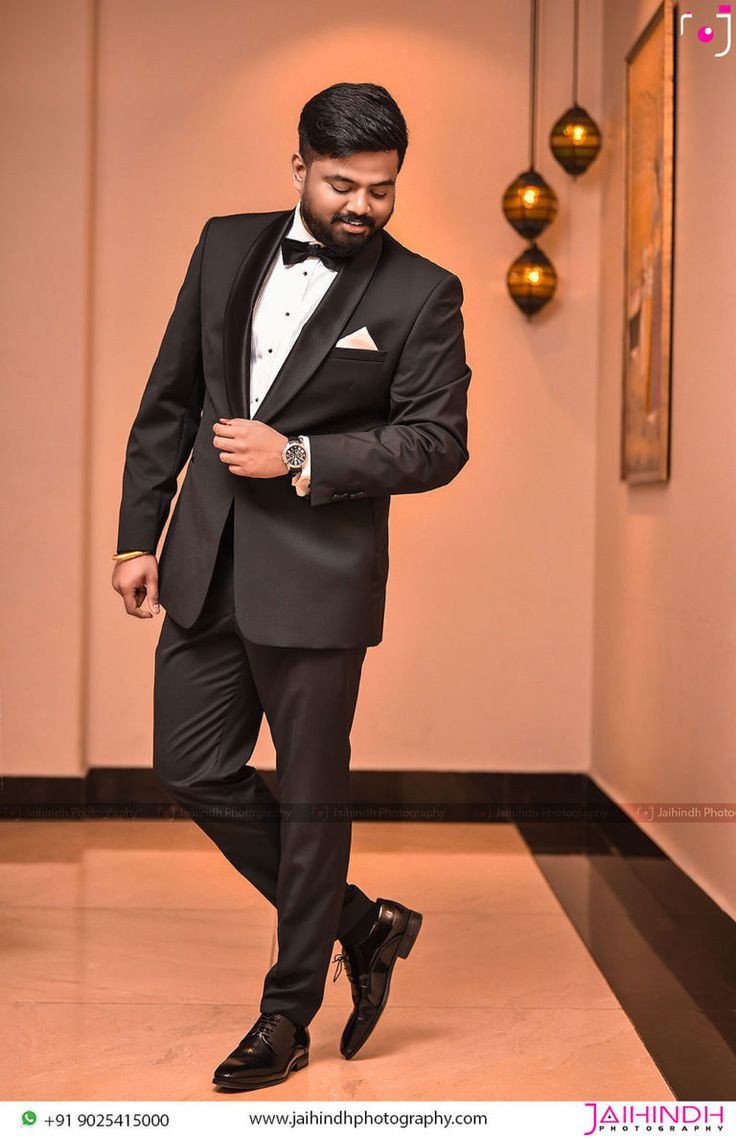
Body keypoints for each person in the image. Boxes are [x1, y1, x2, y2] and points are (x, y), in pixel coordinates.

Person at [112, 81, 471, 1093]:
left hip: (318, 582)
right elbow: (169, 401)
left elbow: (438, 441)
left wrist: (303, 455)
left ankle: (288, 1013)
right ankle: (363, 922)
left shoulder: (422, 292)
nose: (362, 206)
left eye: (381, 190)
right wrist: (137, 537)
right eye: (342, 185)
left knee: (312, 798)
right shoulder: (224, 244)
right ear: (299, 165)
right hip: (205, 561)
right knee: (190, 767)